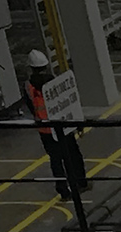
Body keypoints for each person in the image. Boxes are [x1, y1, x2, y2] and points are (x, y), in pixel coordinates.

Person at [24, 50, 89, 197]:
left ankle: (63, 190)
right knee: (72, 155)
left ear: (31, 67)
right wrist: (77, 124)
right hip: (61, 126)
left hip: (44, 130)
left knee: (56, 160)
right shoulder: (54, 82)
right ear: (46, 65)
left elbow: (31, 107)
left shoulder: (28, 86)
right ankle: (80, 183)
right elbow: (67, 103)